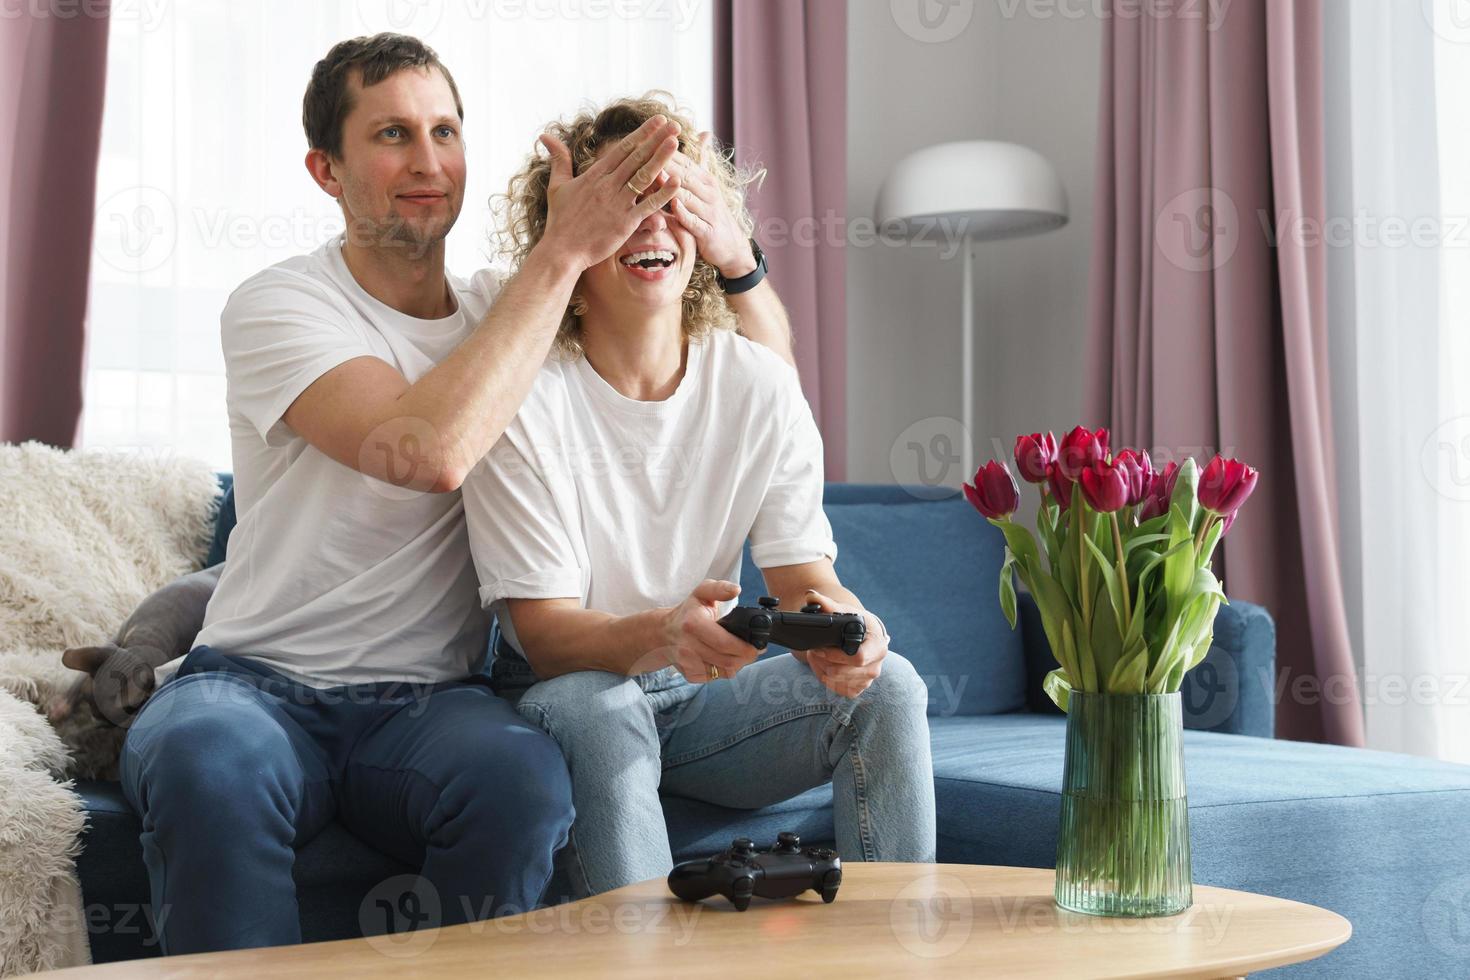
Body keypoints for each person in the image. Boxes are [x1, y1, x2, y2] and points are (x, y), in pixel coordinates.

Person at [49, 36, 795, 954]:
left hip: (431, 701)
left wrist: (735, 257)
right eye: (394, 134)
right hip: (254, 686)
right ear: (326, 169)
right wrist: (562, 253)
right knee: (208, 766)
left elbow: (767, 380)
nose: (429, 161)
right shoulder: (280, 305)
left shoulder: (506, 312)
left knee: (521, 783)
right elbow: (426, 451)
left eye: (445, 131)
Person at [461, 95, 937, 901]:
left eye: (671, 200)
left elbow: (803, 575)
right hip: (563, 692)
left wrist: (845, 629)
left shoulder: (758, 384)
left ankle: (895, 955)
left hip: (697, 699)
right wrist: (663, 632)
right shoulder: (521, 392)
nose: (653, 225)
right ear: (572, 238)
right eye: (626, 203)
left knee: (893, 688)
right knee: (603, 709)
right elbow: (540, 637)